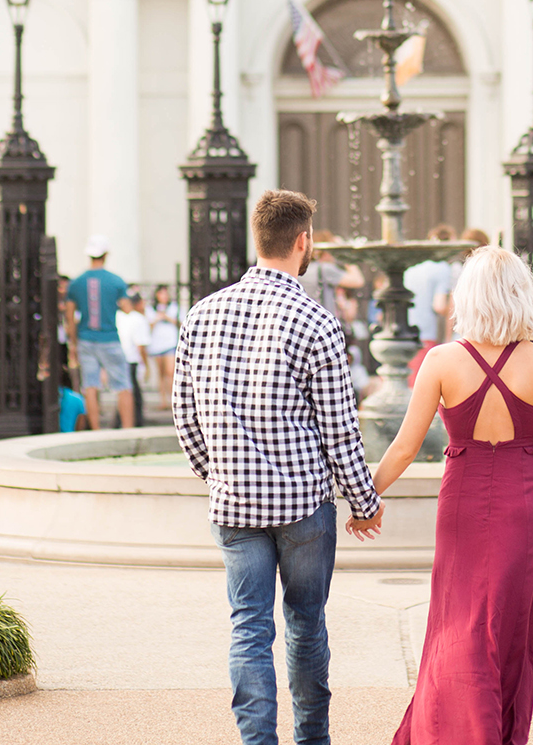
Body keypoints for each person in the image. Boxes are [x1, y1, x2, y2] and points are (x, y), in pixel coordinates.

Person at [174, 189, 384, 745]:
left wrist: (219, 472)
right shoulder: (314, 321)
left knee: (248, 630)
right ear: (301, 241)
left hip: (234, 505)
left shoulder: (203, 315)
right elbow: (339, 428)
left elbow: (186, 417)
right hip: (301, 509)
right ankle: (312, 739)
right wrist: (364, 501)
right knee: (306, 625)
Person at [367, 245, 533, 745]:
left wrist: (363, 496)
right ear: (523, 295)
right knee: (513, 635)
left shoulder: (440, 361)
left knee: (459, 625)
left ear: (468, 297)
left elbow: (406, 447)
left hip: (463, 501)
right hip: (530, 505)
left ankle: (455, 730)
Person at [64, 236, 134, 431]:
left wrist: (73, 344)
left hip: (86, 338)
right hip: (110, 337)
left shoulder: (77, 282)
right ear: (106, 255)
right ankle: (128, 429)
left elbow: (69, 316)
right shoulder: (116, 281)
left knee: (90, 386)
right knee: (123, 386)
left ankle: (95, 430)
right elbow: (127, 308)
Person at [404, 223, 457, 382]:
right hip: (426, 332)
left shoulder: (412, 267)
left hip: (404, 329)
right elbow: (439, 305)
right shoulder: (442, 269)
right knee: (422, 382)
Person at [117, 290, 151, 428]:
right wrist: (146, 365)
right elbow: (140, 346)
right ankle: (133, 421)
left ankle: (122, 421)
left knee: (125, 391)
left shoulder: (119, 317)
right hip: (131, 360)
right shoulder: (138, 319)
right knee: (132, 393)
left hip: (120, 358)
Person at [146, 284, 179, 409]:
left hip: (170, 343)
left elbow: (179, 322)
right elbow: (149, 325)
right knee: (161, 373)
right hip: (157, 344)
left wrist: (166, 317)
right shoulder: (151, 309)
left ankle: (173, 400)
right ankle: (163, 400)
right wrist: (157, 318)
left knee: (170, 372)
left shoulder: (174, 307)